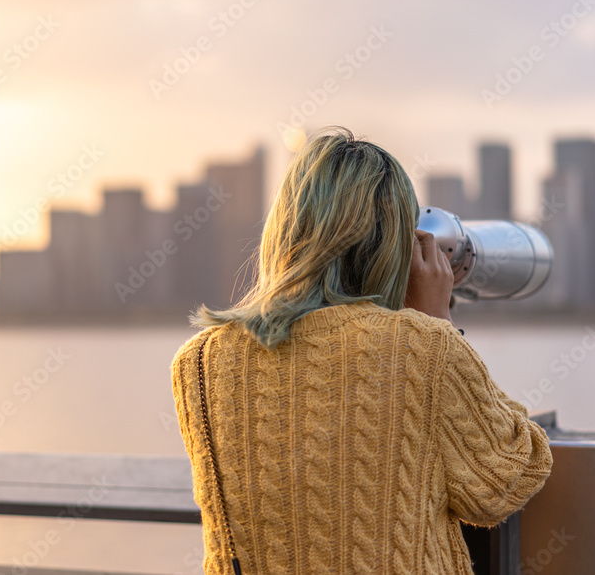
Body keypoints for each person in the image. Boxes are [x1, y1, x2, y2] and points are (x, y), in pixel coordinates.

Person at [170, 127, 552, 574]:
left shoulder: (198, 363)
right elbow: (504, 481)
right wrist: (437, 324)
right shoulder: (421, 345)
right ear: (398, 245)